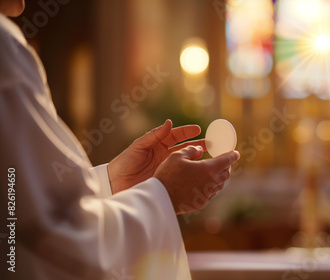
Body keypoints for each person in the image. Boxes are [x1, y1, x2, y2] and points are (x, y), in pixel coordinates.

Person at [0, 0, 240, 279]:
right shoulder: (5, 47)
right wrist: (165, 194)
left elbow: (19, 204)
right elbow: (55, 236)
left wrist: (113, 181)